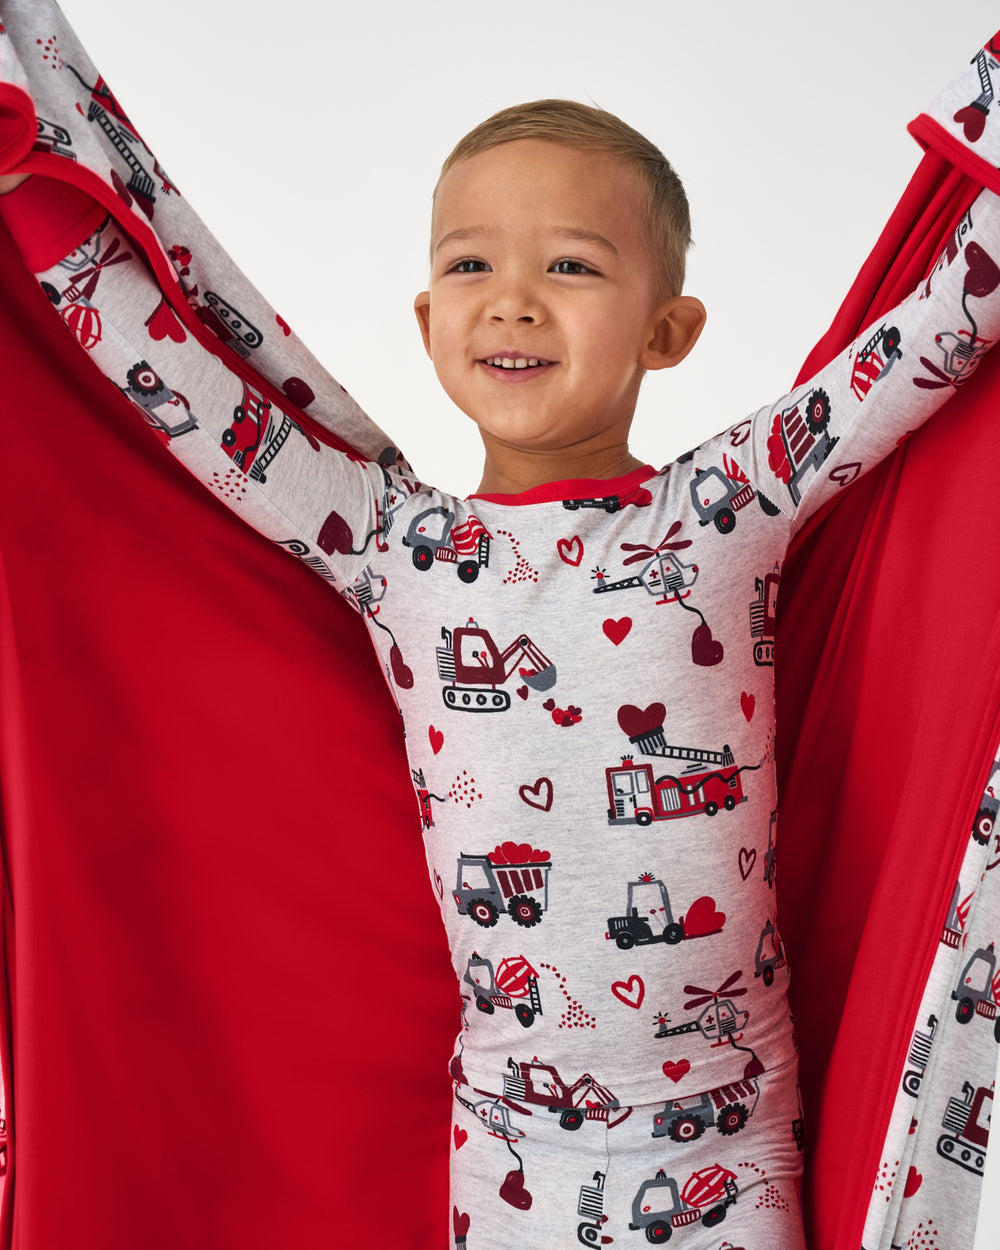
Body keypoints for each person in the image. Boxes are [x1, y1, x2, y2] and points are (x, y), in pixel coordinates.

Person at [4, 18, 1000, 1250]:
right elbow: (178, 388)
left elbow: (930, 340)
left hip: (725, 1147)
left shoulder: (728, 501)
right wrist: (28, 179)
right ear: (427, 322)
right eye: (471, 267)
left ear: (667, 331)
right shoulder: (385, 539)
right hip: (510, 1156)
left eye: (572, 267)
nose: (513, 300)